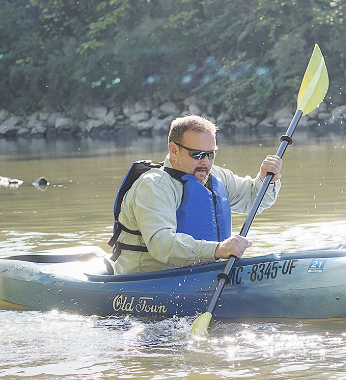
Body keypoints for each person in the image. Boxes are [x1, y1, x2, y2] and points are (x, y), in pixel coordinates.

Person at [109, 115, 282, 274]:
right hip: (148, 281)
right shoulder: (154, 185)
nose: (205, 162)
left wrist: (266, 178)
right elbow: (161, 244)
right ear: (174, 151)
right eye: (197, 154)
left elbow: (253, 198)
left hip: (202, 275)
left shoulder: (216, 176)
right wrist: (218, 250)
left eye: (210, 154)